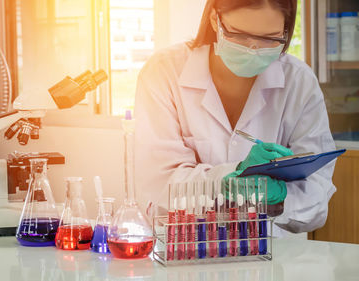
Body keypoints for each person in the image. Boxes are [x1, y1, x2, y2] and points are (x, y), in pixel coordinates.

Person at [134, 0, 336, 235]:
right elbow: (157, 185)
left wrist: (279, 198)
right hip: (186, 251)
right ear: (214, 19)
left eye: (269, 38)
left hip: (271, 255)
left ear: (285, 31)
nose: (253, 48)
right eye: (239, 35)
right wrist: (227, 179)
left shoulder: (298, 82)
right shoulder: (164, 72)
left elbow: (317, 199)